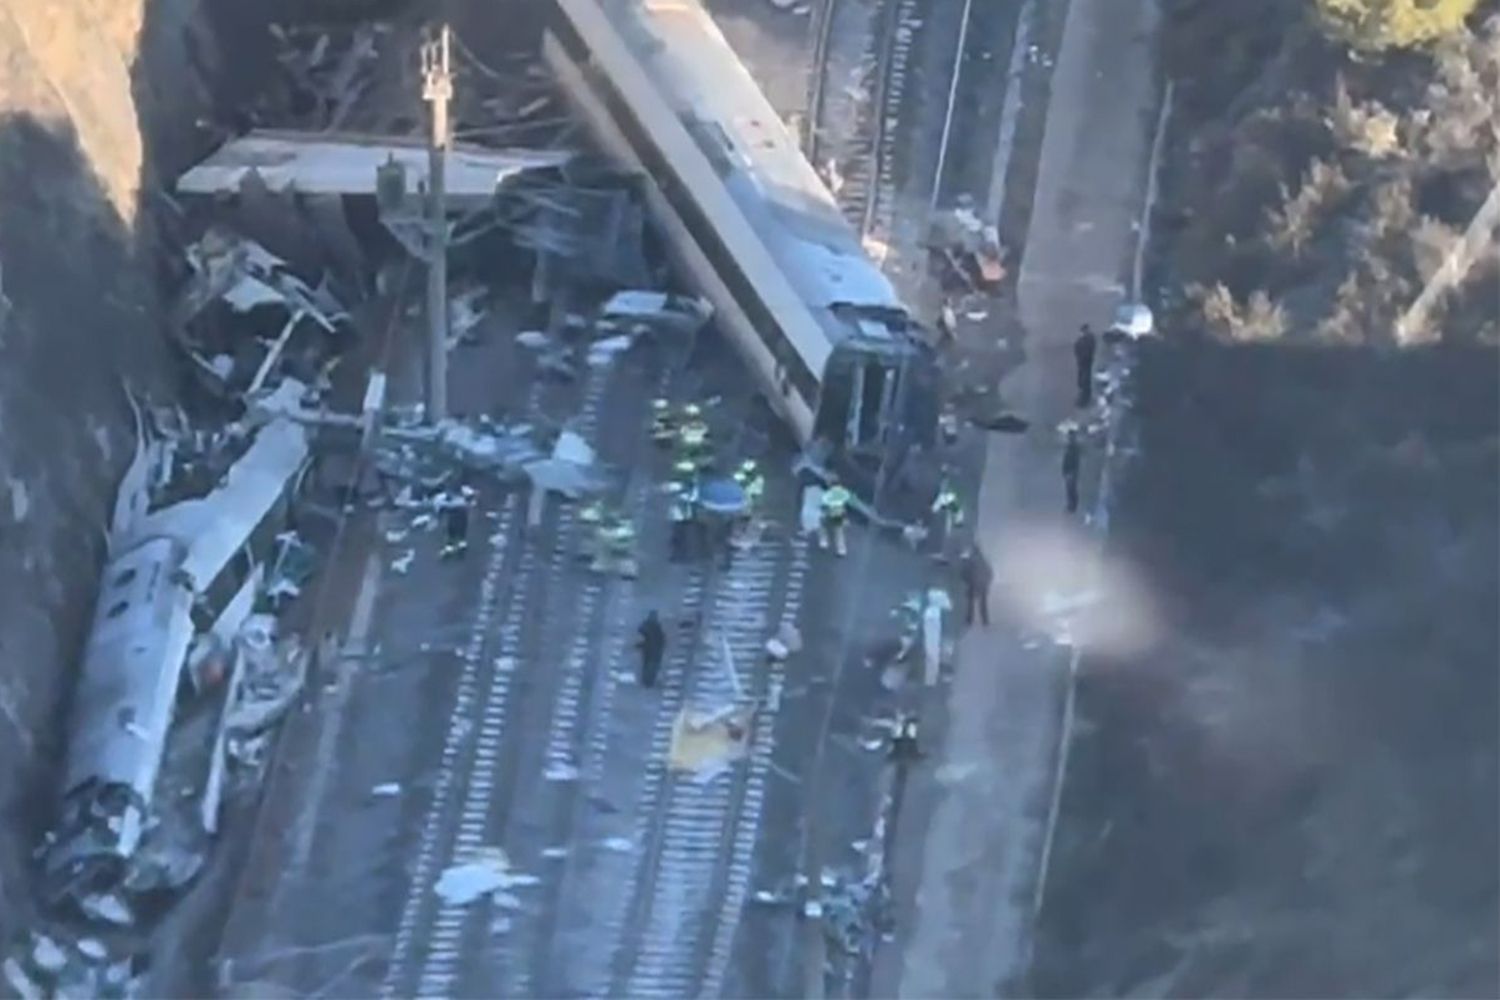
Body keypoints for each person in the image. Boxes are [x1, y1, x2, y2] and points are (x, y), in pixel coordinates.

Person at [960, 544, 993, 627]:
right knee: (983, 604)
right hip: (983, 584)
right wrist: (987, 582)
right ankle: (985, 621)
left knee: (970, 603)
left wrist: (967, 580)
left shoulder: (970, 560)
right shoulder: (983, 560)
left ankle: (969, 620)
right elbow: (989, 572)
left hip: (973, 583)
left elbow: (965, 572)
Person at [819, 475, 852, 556]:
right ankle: (841, 549)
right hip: (839, 514)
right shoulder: (844, 493)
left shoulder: (828, 494)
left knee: (823, 526)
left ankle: (824, 542)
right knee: (839, 532)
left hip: (830, 513)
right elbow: (848, 504)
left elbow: (824, 505)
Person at [637, 611, 666, 688]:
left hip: (650, 650)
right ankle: (648, 681)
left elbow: (641, 632)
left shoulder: (652, 626)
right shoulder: (656, 627)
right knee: (651, 666)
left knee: (648, 665)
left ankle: (647, 681)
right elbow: (661, 640)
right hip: (652, 651)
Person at [1074, 324, 1098, 407]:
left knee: (1084, 377)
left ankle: (1084, 395)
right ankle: (1085, 393)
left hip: (1085, 361)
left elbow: (1077, 349)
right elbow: (1077, 349)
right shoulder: (1088, 339)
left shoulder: (1085, 339)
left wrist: (1081, 357)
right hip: (1085, 361)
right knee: (1084, 377)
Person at [1062, 428, 1082, 513]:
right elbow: (1066, 459)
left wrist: (1073, 471)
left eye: (1071, 435)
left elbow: (1075, 460)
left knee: (1072, 489)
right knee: (1070, 489)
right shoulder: (1069, 446)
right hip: (1069, 470)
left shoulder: (1075, 447)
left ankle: (1073, 506)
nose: (1069, 437)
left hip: (1072, 470)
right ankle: (1071, 505)